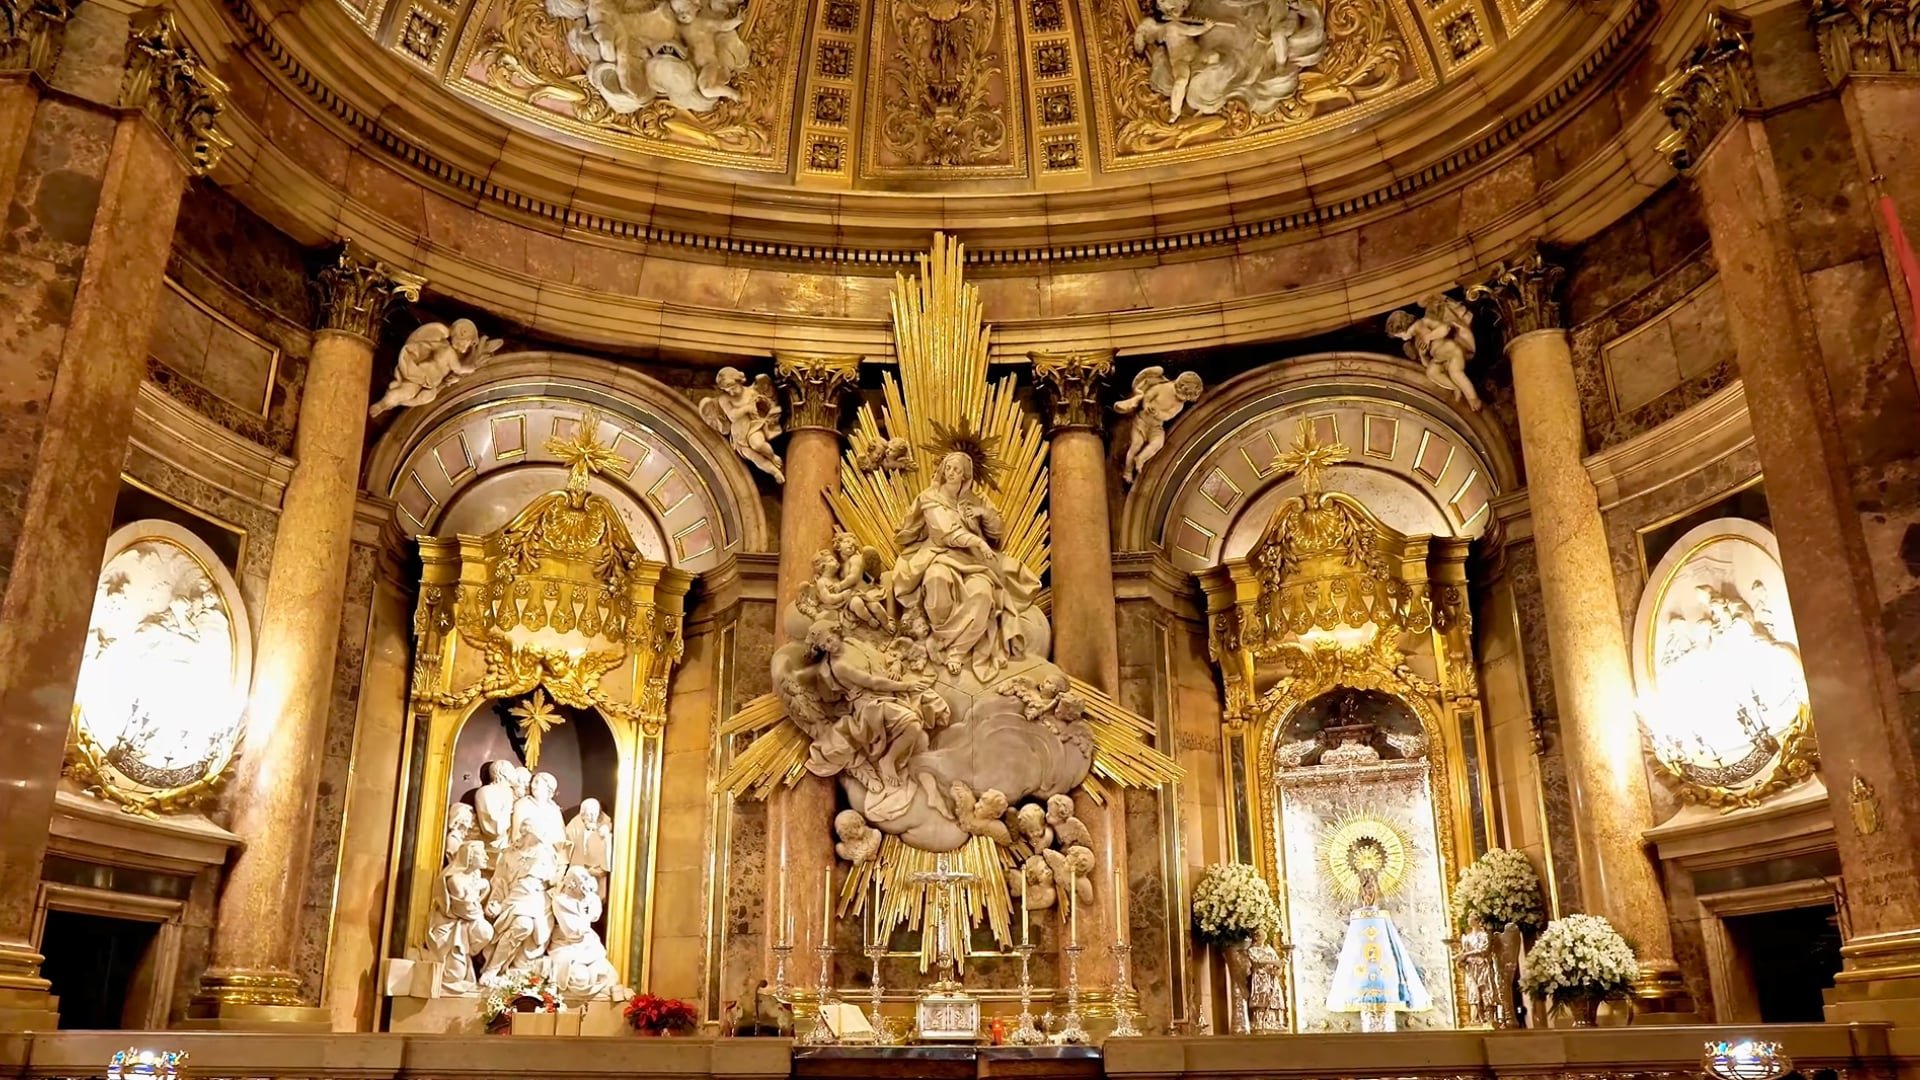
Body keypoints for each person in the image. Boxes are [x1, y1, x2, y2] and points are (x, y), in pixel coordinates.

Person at [891, 451, 1042, 682]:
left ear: (965, 475)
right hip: (938, 554)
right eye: (948, 468)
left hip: (973, 560)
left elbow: (996, 531)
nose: (951, 473)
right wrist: (978, 542)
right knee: (936, 579)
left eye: (957, 470)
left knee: (983, 593)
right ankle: (940, 639)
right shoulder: (930, 497)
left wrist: (984, 514)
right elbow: (945, 533)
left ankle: (958, 650)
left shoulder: (976, 498)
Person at [1324, 836, 1431, 1031]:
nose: (1369, 890)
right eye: (1366, 887)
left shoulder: (1383, 919)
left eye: (1372, 886)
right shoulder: (1358, 919)